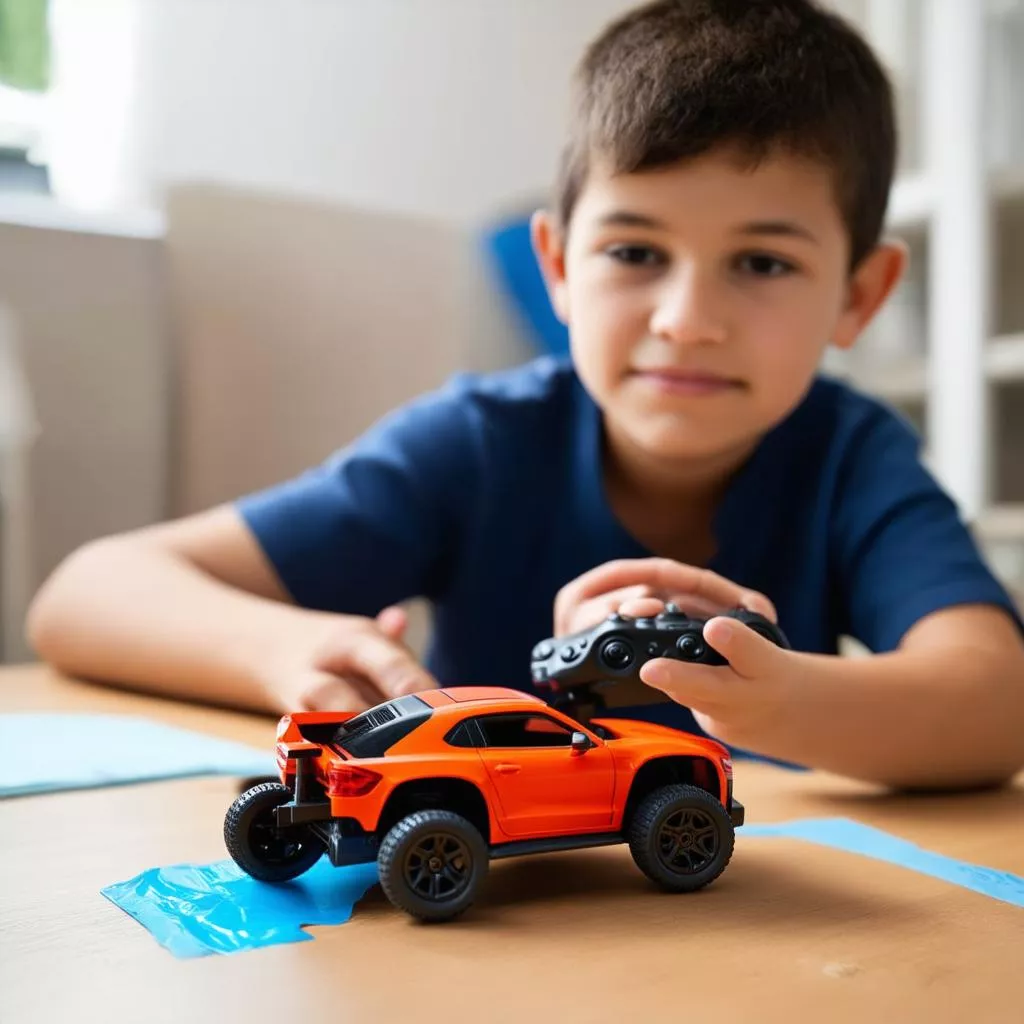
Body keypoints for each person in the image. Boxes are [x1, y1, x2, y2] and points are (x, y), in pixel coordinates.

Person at [27, 0, 1024, 790]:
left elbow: (998, 701)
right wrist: (297, 650)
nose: (685, 318)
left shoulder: (854, 458)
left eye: (760, 263)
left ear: (858, 294)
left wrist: (780, 701)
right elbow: (86, 595)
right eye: (634, 252)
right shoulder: (477, 442)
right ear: (557, 266)